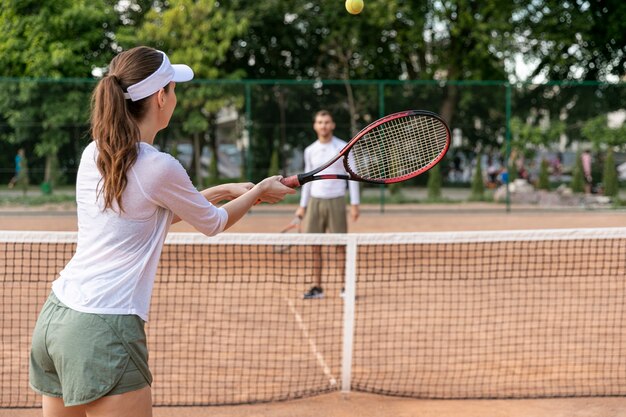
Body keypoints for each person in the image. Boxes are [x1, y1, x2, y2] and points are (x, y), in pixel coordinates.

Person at [28, 46, 294, 416]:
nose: (176, 96)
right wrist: (259, 192)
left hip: (55, 319)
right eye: (173, 87)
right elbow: (213, 223)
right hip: (106, 328)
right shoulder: (158, 166)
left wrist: (227, 190)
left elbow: (148, 218)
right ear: (160, 97)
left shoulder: (95, 153)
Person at [295, 110, 360, 299]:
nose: (323, 125)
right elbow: (306, 180)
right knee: (314, 246)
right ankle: (317, 287)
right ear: (315, 126)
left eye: (327, 122)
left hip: (337, 201)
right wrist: (303, 206)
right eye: (320, 122)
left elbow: (353, 176)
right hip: (315, 201)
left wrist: (354, 204)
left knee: (341, 246)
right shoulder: (310, 150)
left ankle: (345, 287)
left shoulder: (343, 147)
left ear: (332, 125)